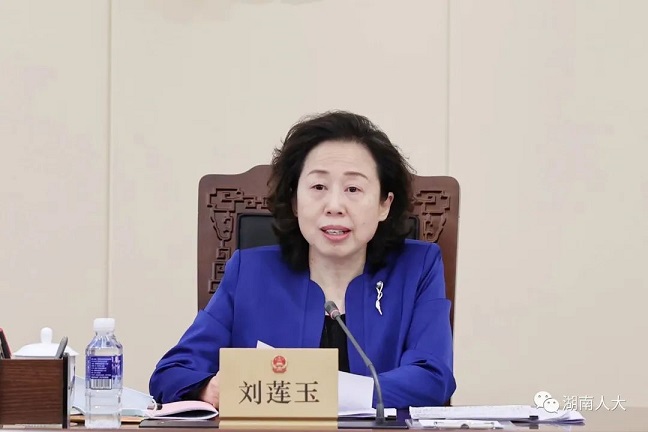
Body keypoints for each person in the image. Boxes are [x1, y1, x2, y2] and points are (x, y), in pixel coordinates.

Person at [149, 111, 456, 409]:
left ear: (384, 205)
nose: (334, 205)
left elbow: (432, 378)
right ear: (295, 200)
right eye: (318, 187)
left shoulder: (418, 267)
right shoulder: (250, 273)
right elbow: (172, 373)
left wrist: (311, 390)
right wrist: (208, 389)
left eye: (353, 189)